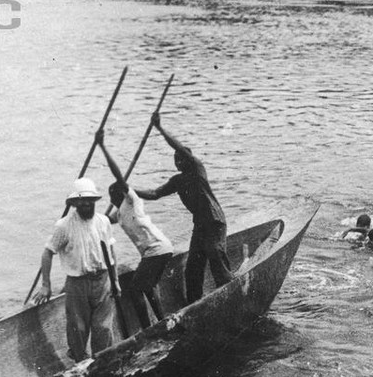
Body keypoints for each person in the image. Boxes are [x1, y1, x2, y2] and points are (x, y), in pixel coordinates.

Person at [137, 113, 231, 304]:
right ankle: (194, 304)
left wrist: (160, 128)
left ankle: (229, 289)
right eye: (175, 159)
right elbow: (155, 194)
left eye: (181, 158)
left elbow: (178, 146)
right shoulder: (177, 181)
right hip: (200, 226)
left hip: (214, 222)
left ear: (189, 159)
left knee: (214, 253)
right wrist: (129, 189)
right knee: (193, 268)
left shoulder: (197, 169)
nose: (178, 161)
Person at [95, 131, 174, 330]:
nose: (111, 202)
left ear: (121, 194)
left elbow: (118, 176)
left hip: (157, 248)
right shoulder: (120, 213)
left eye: (113, 197)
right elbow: (102, 220)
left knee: (136, 288)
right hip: (153, 252)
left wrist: (103, 147)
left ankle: (148, 328)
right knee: (147, 286)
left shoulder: (132, 201)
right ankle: (161, 321)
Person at [33, 177, 117, 362]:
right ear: (75, 203)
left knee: (103, 328)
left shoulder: (103, 221)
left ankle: (102, 361)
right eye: (82, 200)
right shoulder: (64, 225)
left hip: (103, 279)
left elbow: (111, 251)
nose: (86, 203)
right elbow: (48, 252)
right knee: (78, 328)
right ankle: (80, 361)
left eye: (90, 200)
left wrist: (116, 280)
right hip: (77, 283)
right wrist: (45, 285)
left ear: (95, 201)